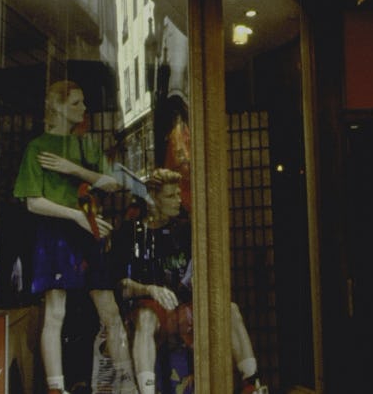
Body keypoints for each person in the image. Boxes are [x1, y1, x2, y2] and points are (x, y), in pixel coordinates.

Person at [13, 79, 136, 394]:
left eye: (83, 102)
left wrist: (74, 169)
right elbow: (32, 201)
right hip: (57, 231)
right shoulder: (36, 147)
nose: (83, 109)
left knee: (108, 307)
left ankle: (125, 383)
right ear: (56, 105)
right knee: (55, 311)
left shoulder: (84, 145)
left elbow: (112, 182)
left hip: (87, 229)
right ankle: (56, 388)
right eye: (76, 103)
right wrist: (76, 216)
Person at [112, 166, 268, 394]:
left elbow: (206, 269)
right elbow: (120, 286)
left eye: (178, 194)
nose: (178, 200)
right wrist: (150, 289)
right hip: (152, 310)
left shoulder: (187, 228)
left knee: (230, 309)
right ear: (153, 198)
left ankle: (251, 383)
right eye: (170, 195)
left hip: (188, 307)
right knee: (145, 319)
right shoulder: (131, 232)